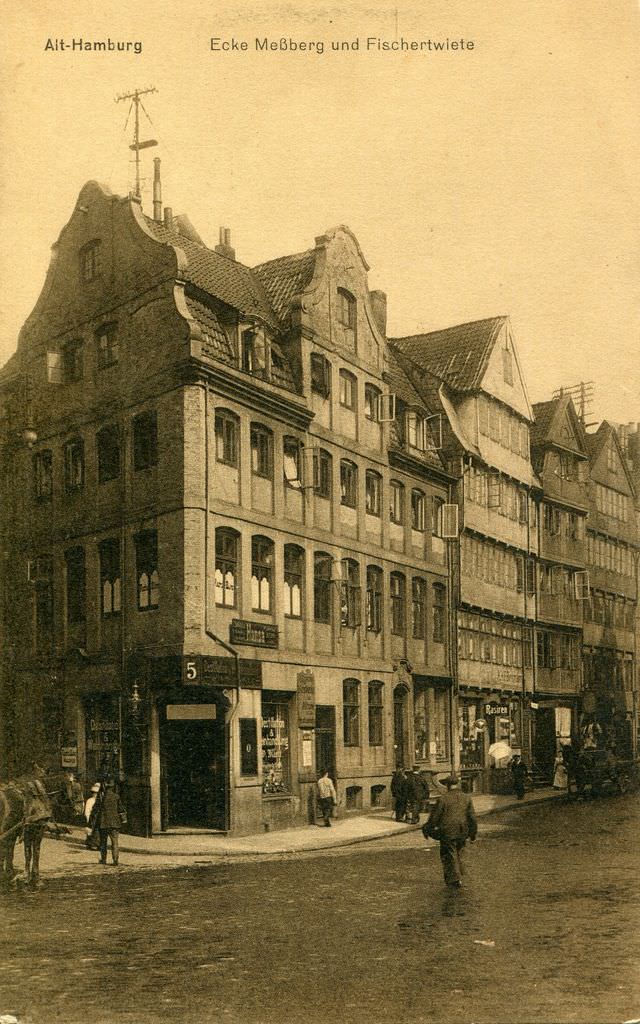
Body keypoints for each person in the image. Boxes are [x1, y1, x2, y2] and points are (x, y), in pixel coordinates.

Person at [423, 774, 477, 888]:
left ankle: (454, 879)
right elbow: (472, 817)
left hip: (447, 831)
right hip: (463, 831)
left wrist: (427, 828)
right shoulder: (466, 797)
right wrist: (473, 833)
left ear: (447, 785)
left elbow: (435, 817)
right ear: (457, 784)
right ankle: (461, 876)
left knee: (449, 854)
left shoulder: (443, 799)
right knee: (460, 852)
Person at [96, 778, 126, 865]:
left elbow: (96, 809)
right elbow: (121, 809)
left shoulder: (101, 797)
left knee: (103, 843)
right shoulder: (116, 796)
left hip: (103, 823)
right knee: (115, 842)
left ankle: (103, 860)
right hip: (115, 823)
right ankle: (115, 860)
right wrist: (123, 819)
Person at [84, 782, 101, 848]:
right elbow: (87, 810)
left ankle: (97, 843)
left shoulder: (100, 801)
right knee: (91, 830)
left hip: (97, 818)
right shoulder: (90, 800)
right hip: (91, 817)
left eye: (97, 793)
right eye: (94, 793)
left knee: (97, 832)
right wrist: (88, 817)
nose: (95, 794)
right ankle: (91, 844)